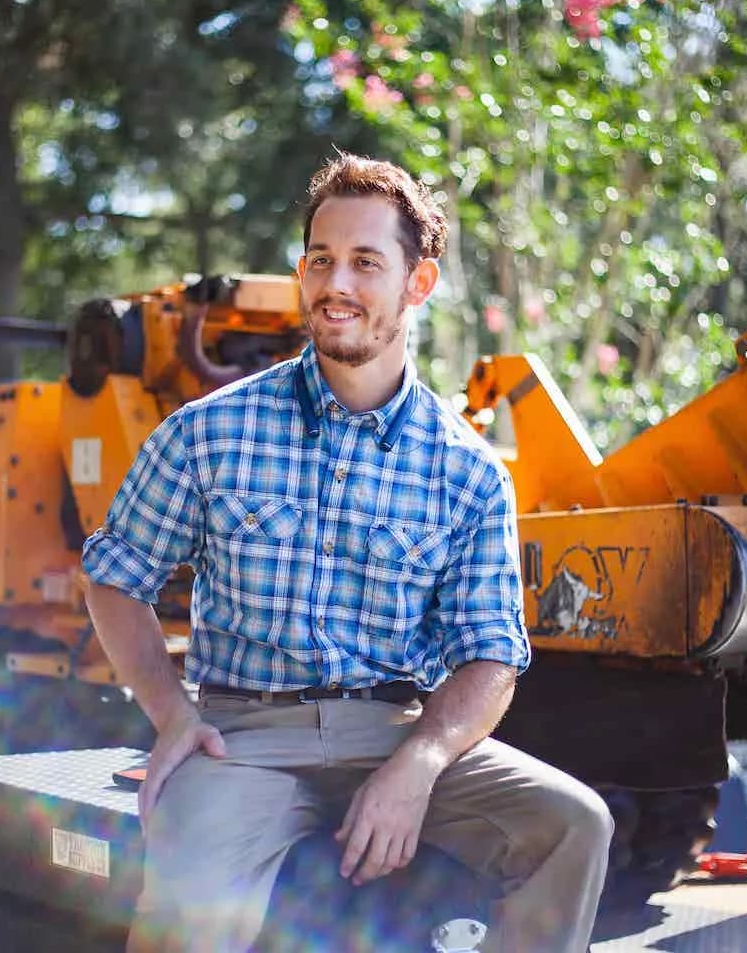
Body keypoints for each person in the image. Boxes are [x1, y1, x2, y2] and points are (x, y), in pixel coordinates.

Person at [82, 153, 612, 952]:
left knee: (574, 825)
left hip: (395, 728)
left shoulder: (467, 471)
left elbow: (491, 655)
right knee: (186, 907)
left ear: (417, 283)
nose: (337, 284)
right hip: (243, 738)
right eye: (321, 260)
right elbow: (115, 576)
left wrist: (422, 760)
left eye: (366, 262)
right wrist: (170, 714)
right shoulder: (210, 431)